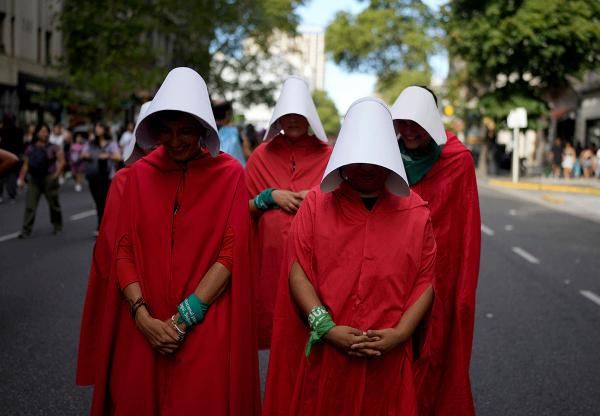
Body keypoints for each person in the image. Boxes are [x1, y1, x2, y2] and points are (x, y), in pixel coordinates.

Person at [77, 67, 260, 415]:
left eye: (186, 131)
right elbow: (124, 247)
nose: (176, 141)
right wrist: (141, 315)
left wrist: (184, 317)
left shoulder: (231, 174)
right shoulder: (137, 176)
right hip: (142, 324)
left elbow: (232, 250)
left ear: (204, 130)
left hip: (206, 323)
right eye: (167, 131)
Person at [263, 97, 436, 415]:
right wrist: (325, 327)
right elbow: (298, 270)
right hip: (329, 357)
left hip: (388, 358)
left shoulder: (416, 213)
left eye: (376, 158)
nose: (368, 168)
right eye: (359, 158)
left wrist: (400, 334)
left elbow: (425, 283)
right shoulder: (316, 204)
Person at [390, 86, 481, 416]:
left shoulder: (458, 161)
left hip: (438, 278)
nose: (409, 131)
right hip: (391, 275)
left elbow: (467, 232)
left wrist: (460, 288)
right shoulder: (384, 158)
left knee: (431, 353)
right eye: (403, 122)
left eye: (417, 123)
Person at [245, 75, 331, 349]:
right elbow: (240, 210)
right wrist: (268, 197)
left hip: (316, 262)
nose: (293, 119)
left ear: (310, 118)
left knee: (314, 338)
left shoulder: (329, 155)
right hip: (268, 264)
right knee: (276, 338)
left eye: (299, 114)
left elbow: (345, 204)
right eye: (287, 114)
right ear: (277, 119)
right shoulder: (261, 155)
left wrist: (315, 197)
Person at [17, 124, 65, 238]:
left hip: (49, 178)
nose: (44, 134)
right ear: (37, 133)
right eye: (41, 131)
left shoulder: (54, 147)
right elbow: (25, 165)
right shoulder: (31, 147)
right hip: (34, 179)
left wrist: (56, 175)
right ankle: (26, 230)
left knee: (54, 204)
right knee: (30, 205)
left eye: (46, 131)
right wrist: (21, 178)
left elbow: (62, 161)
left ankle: (57, 225)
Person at [81, 122, 121, 234]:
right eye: (96, 127)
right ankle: (103, 225)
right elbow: (83, 154)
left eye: (100, 127)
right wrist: (92, 155)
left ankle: (102, 226)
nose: (97, 129)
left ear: (105, 129)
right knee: (98, 202)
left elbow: (118, 157)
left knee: (104, 202)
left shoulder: (111, 143)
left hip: (107, 177)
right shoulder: (90, 143)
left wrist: (107, 155)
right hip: (93, 176)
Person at [0, 114, 24, 203]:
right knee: (12, 176)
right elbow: (21, 144)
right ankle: (12, 195)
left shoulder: (2, 130)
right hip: (14, 155)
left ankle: (1, 194)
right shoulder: (19, 130)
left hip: (3, 156)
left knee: (2, 176)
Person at [213, 100, 246, 165]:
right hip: (236, 170)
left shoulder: (208, 132)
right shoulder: (236, 131)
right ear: (227, 113)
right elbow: (246, 153)